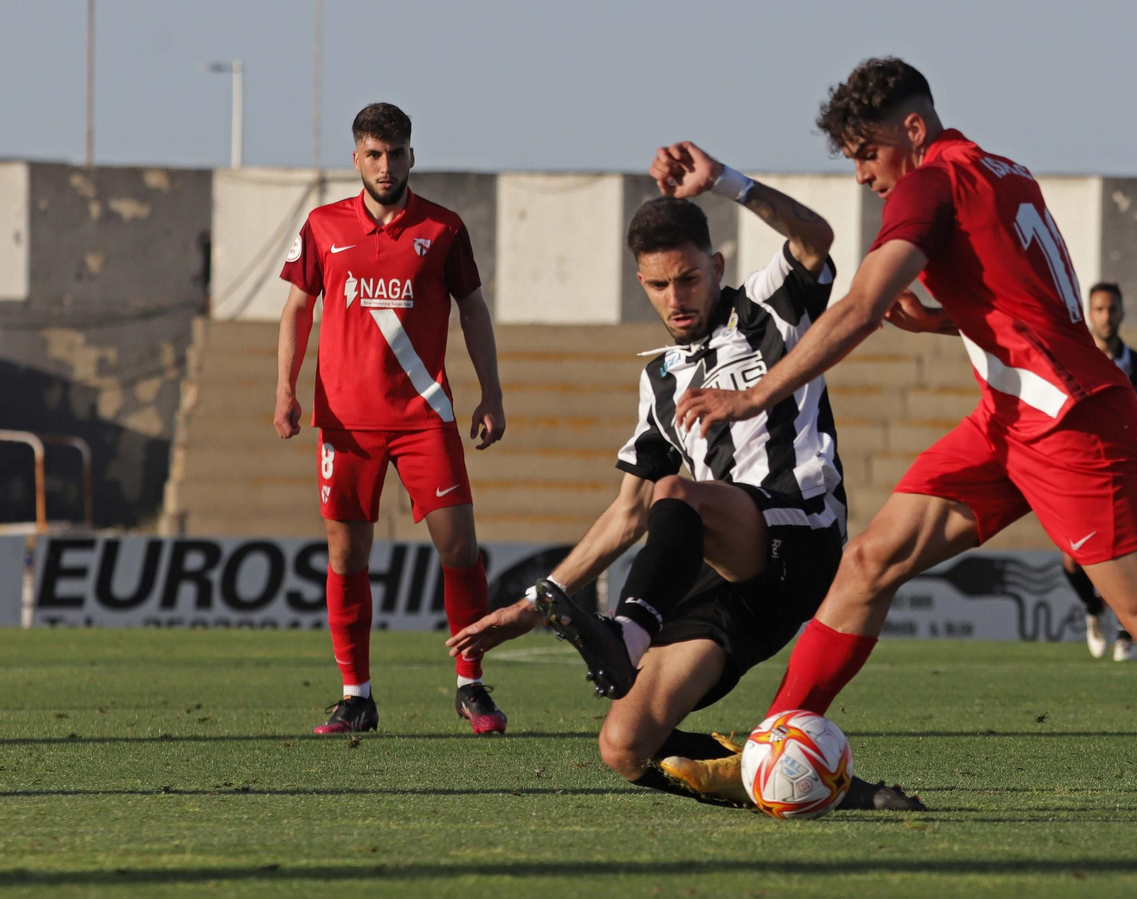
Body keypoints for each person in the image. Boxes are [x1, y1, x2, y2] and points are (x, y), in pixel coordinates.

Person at [666, 58, 1137, 826]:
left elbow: (862, 303)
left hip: (1065, 423)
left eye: (867, 154)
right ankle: (773, 745)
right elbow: (1026, 293)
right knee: (870, 561)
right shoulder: (1001, 170)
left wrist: (755, 393)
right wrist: (946, 319)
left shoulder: (930, 183)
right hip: (1013, 416)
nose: (864, 175)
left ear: (913, 130)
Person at [445, 143, 919, 811]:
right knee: (625, 744)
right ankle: (819, 784)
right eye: (660, 285)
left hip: (799, 534)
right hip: (726, 583)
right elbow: (628, 510)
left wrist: (725, 181)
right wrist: (533, 604)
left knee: (679, 492)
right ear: (641, 283)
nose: (677, 297)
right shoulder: (659, 379)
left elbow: (816, 236)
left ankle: (626, 634)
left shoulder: (767, 305)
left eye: (689, 279)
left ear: (715, 266)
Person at [274, 103, 508, 735]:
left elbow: (474, 313)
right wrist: (285, 390)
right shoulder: (324, 226)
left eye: (396, 153)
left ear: (412, 155)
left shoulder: (444, 228)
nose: (385, 165)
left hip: (423, 417)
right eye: (373, 154)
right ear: (356, 158)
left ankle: (471, 686)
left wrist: (492, 393)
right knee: (347, 555)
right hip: (346, 423)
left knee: (459, 548)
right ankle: (356, 696)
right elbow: (298, 310)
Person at [1066, 282, 1137, 661]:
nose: (1106, 316)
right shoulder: (1074, 356)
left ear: (1121, 313)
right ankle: (1092, 609)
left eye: (1111, 309)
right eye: (1099, 309)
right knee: (1073, 559)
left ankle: (1124, 634)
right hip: (1080, 469)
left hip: (1122, 470)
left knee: (1126, 555)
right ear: (1089, 313)